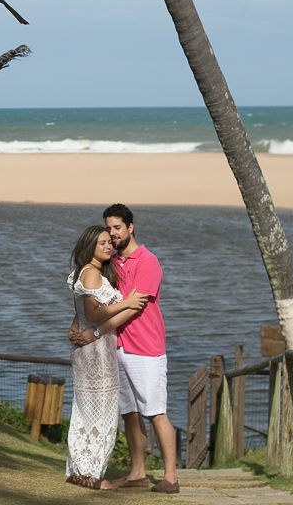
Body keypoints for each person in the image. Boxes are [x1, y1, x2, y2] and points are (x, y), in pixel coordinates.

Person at [70, 203, 179, 494]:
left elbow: (135, 306)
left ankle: (170, 478)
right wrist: (77, 322)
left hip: (146, 349)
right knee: (129, 413)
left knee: (155, 412)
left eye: (117, 228)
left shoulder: (147, 262)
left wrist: (94, 332)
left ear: (130, 228)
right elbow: (93, 297)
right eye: (109, 229)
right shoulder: (112, 261)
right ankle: (137, 473)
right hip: (117, 348)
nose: (113, 234)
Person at [65, 225, 148, 490]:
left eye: (108, 242)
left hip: (89, 349)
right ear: (90, 245)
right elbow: (93, 313)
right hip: (97, 351)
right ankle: (93, 477)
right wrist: (126, 303)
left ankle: (80, 471)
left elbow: (81, 314)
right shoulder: (92, 274)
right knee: (102, 412)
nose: (107, 246)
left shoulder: (87, 273)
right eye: (101, 243)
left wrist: (73, 326)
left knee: (86, 411)